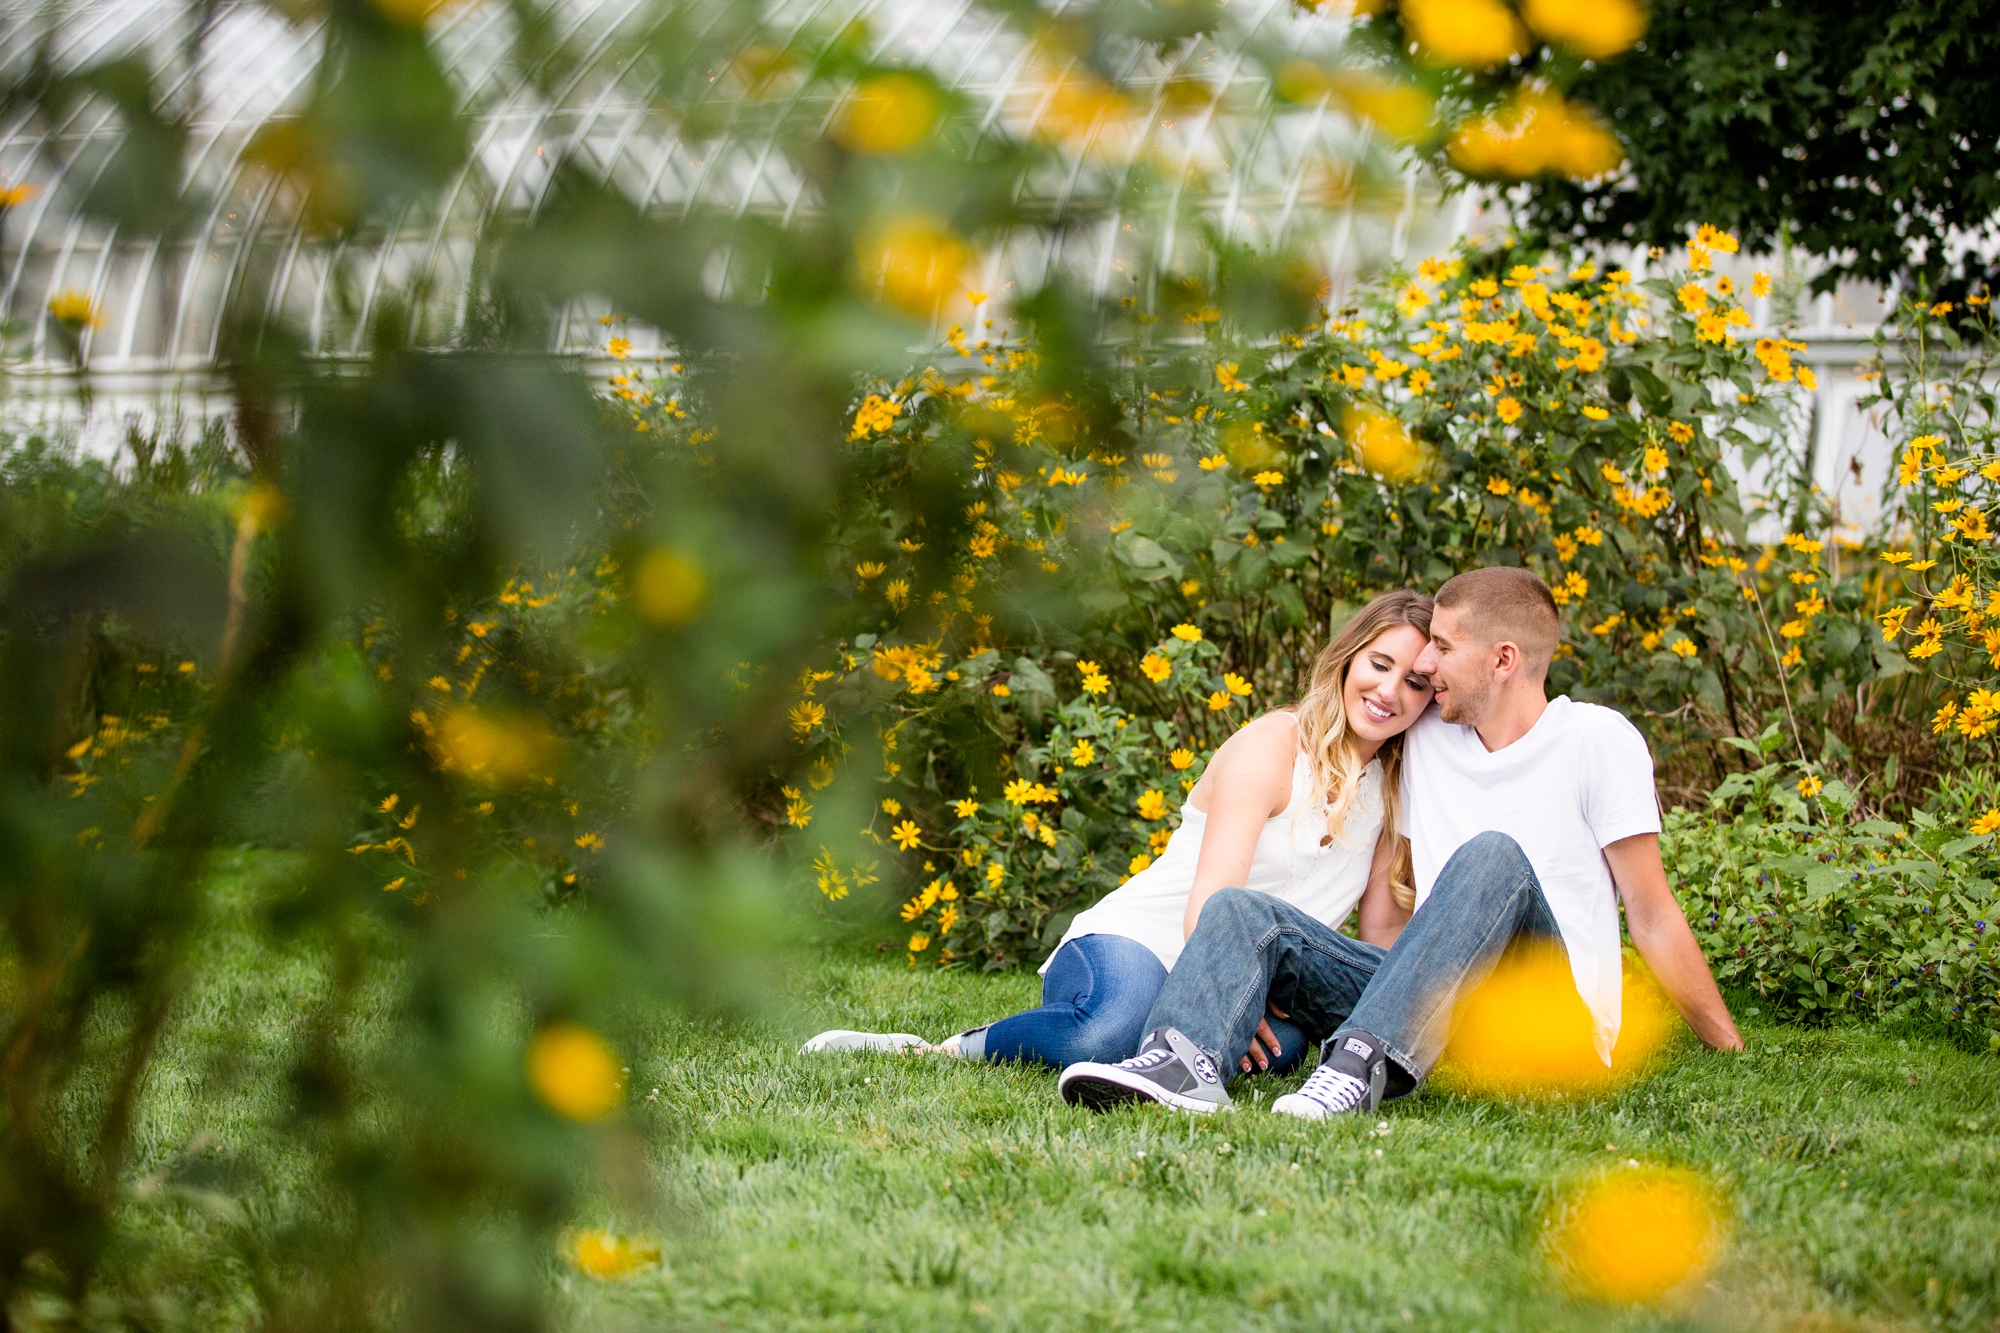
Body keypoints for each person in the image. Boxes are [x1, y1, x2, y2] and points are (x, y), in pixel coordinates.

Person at [1057, 566, 1743, 1116]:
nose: (1426, 666)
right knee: (1243, 910)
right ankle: (1182, 1061)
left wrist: (1730, 1046)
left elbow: (1651, 915)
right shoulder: (1426, 740)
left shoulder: (1596, 740)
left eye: (1440, 650)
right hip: (1438, 1010)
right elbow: (1355, 734)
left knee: (1493, 855)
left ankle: (1356, 1064)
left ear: (1503, 658)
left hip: (1545, 1017)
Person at [802, 590, 1437, 1072]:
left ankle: (1185, 1037)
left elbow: (1379, 937)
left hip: (1268, 982)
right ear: (1347, 658)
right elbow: (1213, 907)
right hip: (1145, 940)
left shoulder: (1394, 792)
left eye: (1413, 682)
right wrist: (1231, 1003)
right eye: (1378, 664)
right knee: (1106, 1036)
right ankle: (945, 1050)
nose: (1388, 691)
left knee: (1284, 1052)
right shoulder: (1271, 747)